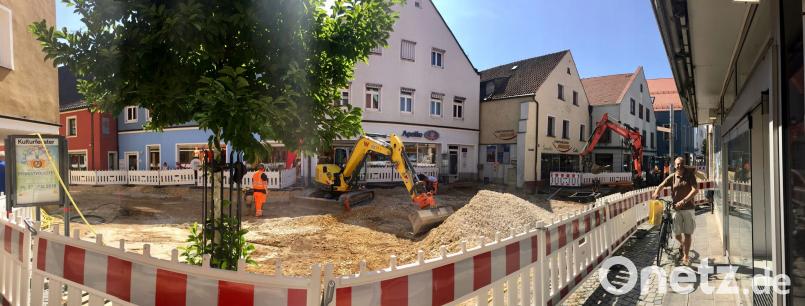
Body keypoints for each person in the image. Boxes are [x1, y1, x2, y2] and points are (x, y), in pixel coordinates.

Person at [652, 156, 699, 265]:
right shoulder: (673, 177)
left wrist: (684, 201)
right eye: (677, 164)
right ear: (675, 165)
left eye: (681, 163)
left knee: (687, 233)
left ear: (684, 164)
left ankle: (686, 257)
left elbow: (695, 190)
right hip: (676, 209)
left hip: (688, 209)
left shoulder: (690, 176)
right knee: (677, 233)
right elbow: (662, 185)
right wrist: (656, 193)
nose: (679, 166)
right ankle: (682, 244)